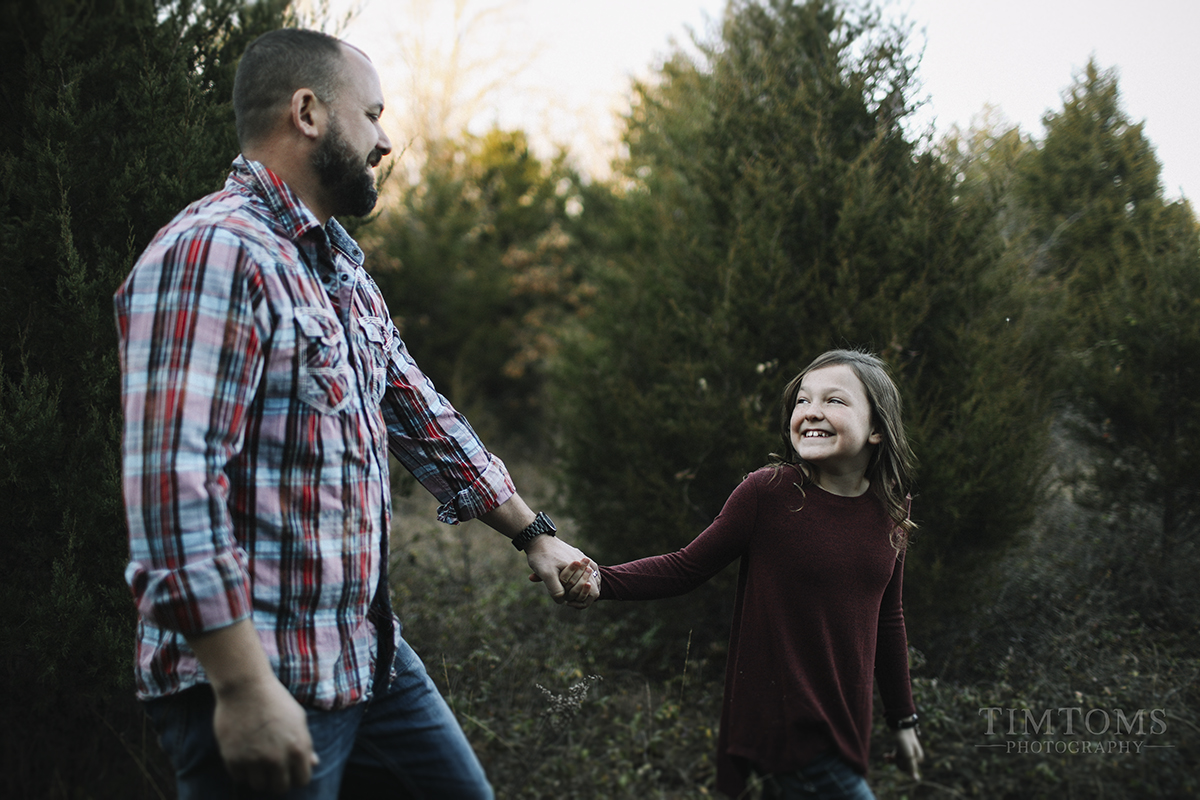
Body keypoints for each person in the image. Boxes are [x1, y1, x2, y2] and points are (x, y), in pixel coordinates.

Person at [114, 27, 597, 799]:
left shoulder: (336, 267)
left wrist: (533, 535)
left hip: (366, 659)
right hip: (261, 673)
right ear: (307, 112)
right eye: (371, 114)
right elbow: (170, 486)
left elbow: (418, 410)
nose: (386, 140)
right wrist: (240, 689)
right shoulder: (216, 251)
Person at [562, 349, 925, 799]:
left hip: (846, 725)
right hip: (786, 727)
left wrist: (902, 719)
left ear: (876, 428)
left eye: (834, 400)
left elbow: (889, 618)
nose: (811, 411)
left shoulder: (891, 508)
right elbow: (686, 566)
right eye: (801, 400)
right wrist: (602, 579)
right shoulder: (769, 493)